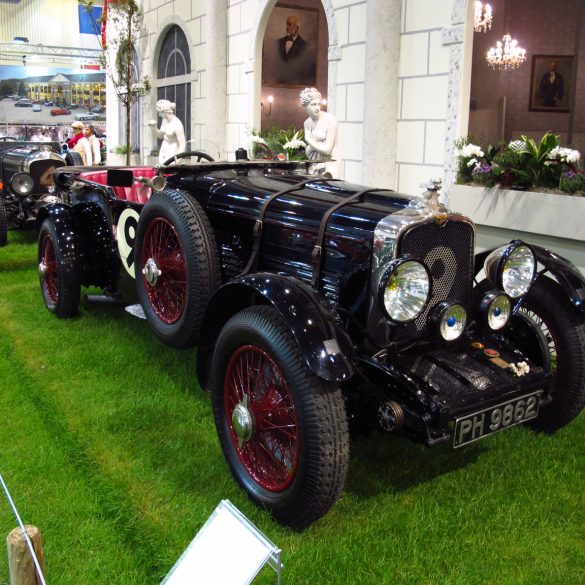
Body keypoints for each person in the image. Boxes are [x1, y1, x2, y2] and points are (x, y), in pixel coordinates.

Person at [300, 87, 339, 177]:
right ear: (305, 106)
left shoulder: (330, 120)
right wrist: (310, 148)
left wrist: (308, 139)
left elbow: (327, 150)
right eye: (313, 104)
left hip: (330, 165)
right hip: (314, 166)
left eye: (318, 104)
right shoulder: (307, 123)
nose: (317, 108)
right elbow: (309, 152)